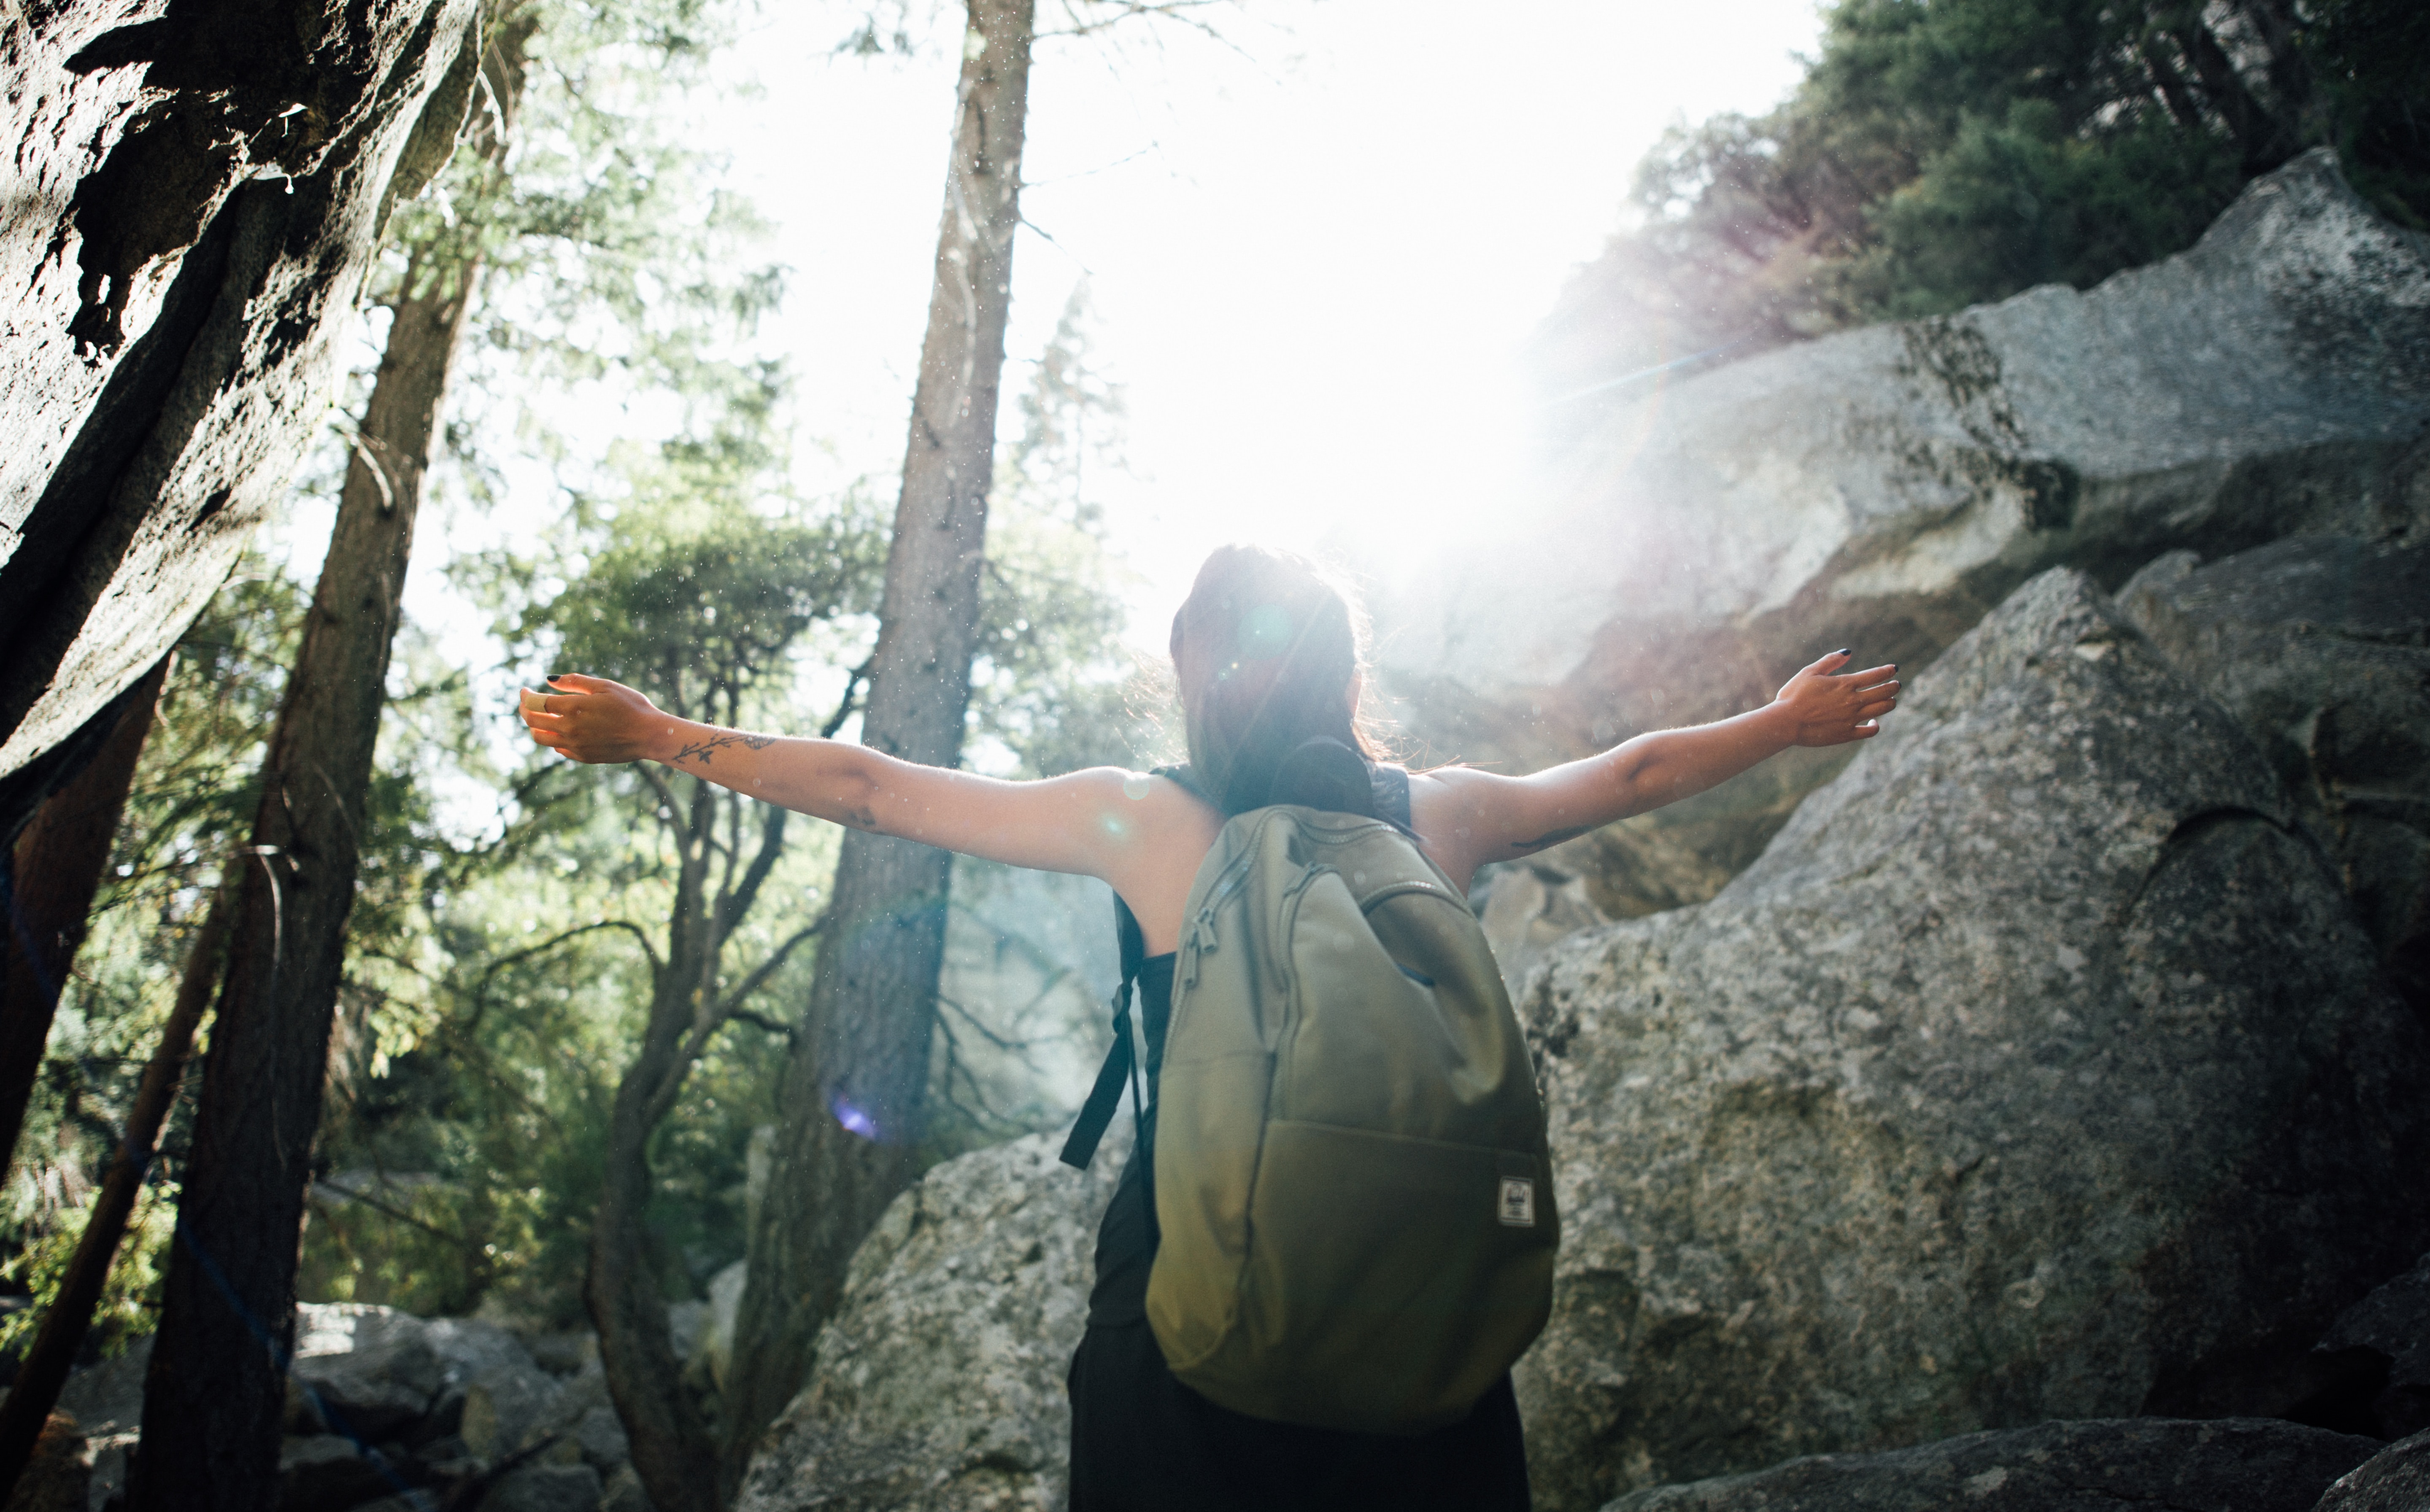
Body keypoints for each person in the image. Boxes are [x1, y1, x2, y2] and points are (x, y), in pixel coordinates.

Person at [518, 542, 1900, 1510]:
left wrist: (662, 736)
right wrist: (1782, 723)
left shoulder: (1144, 815)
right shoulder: (1441, 813)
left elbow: (877, 790)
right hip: (1424, 1282)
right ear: (1347, 677)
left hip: (1190, 1267)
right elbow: (1638, 768)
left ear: (1194, 668)